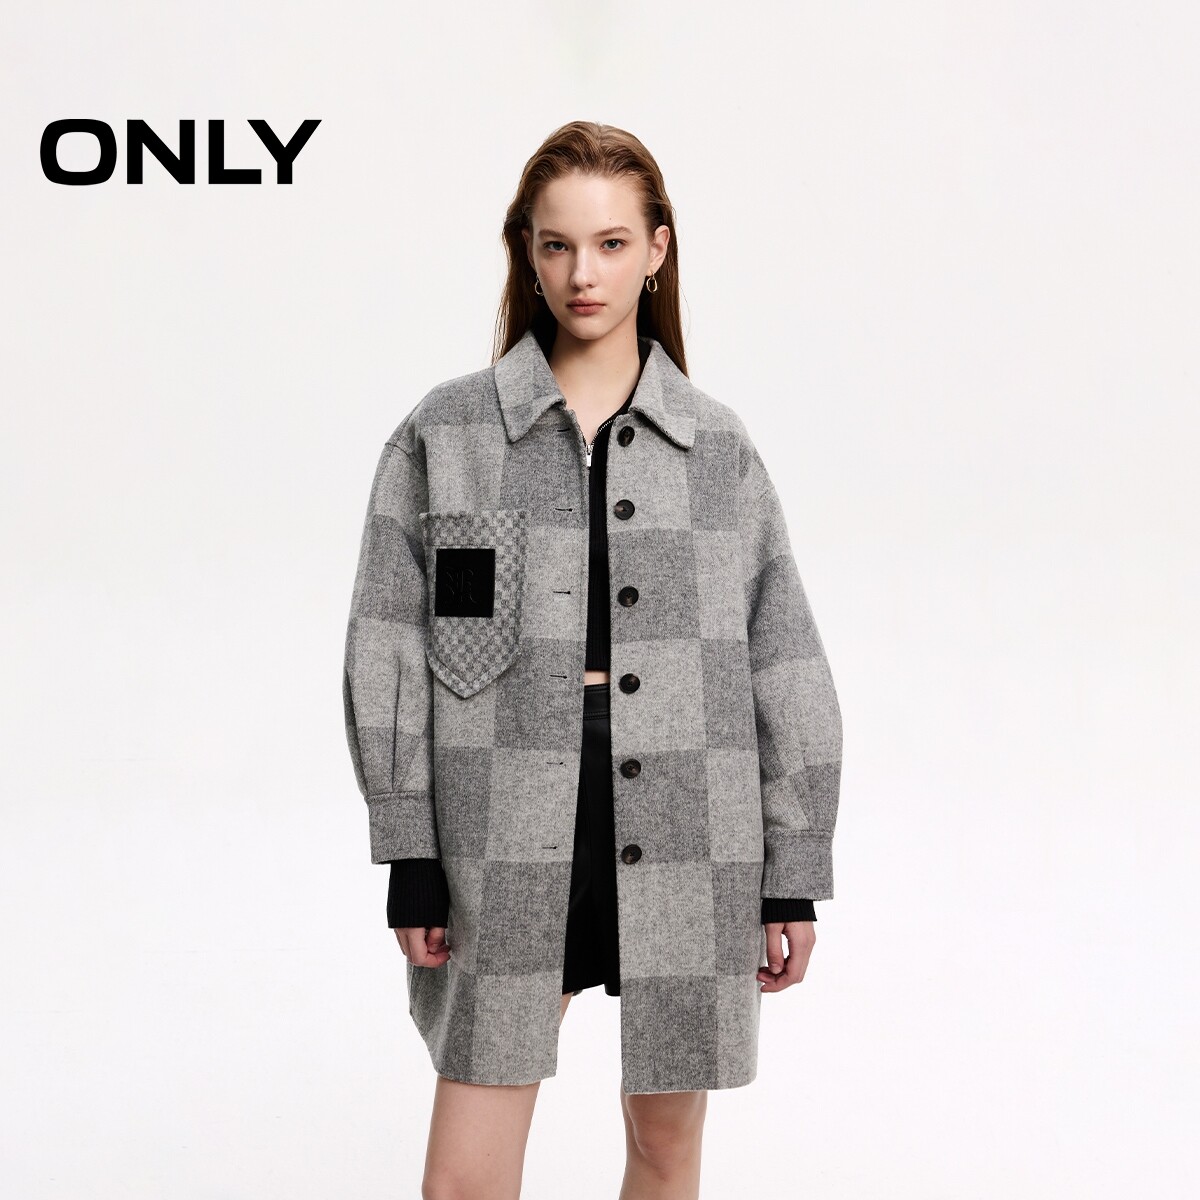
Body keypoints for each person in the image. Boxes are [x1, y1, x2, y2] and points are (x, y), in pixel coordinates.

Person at [342, 120, 842, 1200]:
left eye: (613, 244)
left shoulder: (717, 448)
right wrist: (409, 847)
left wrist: (795, 870)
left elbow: (783, 654)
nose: (584, 274)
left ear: (657, 250)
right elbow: (387, 644)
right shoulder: (447, 435)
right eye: (559, 244)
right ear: (525, 251)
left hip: (693, 816)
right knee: (464, 1180)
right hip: (500, 820)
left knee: (665, 1150)